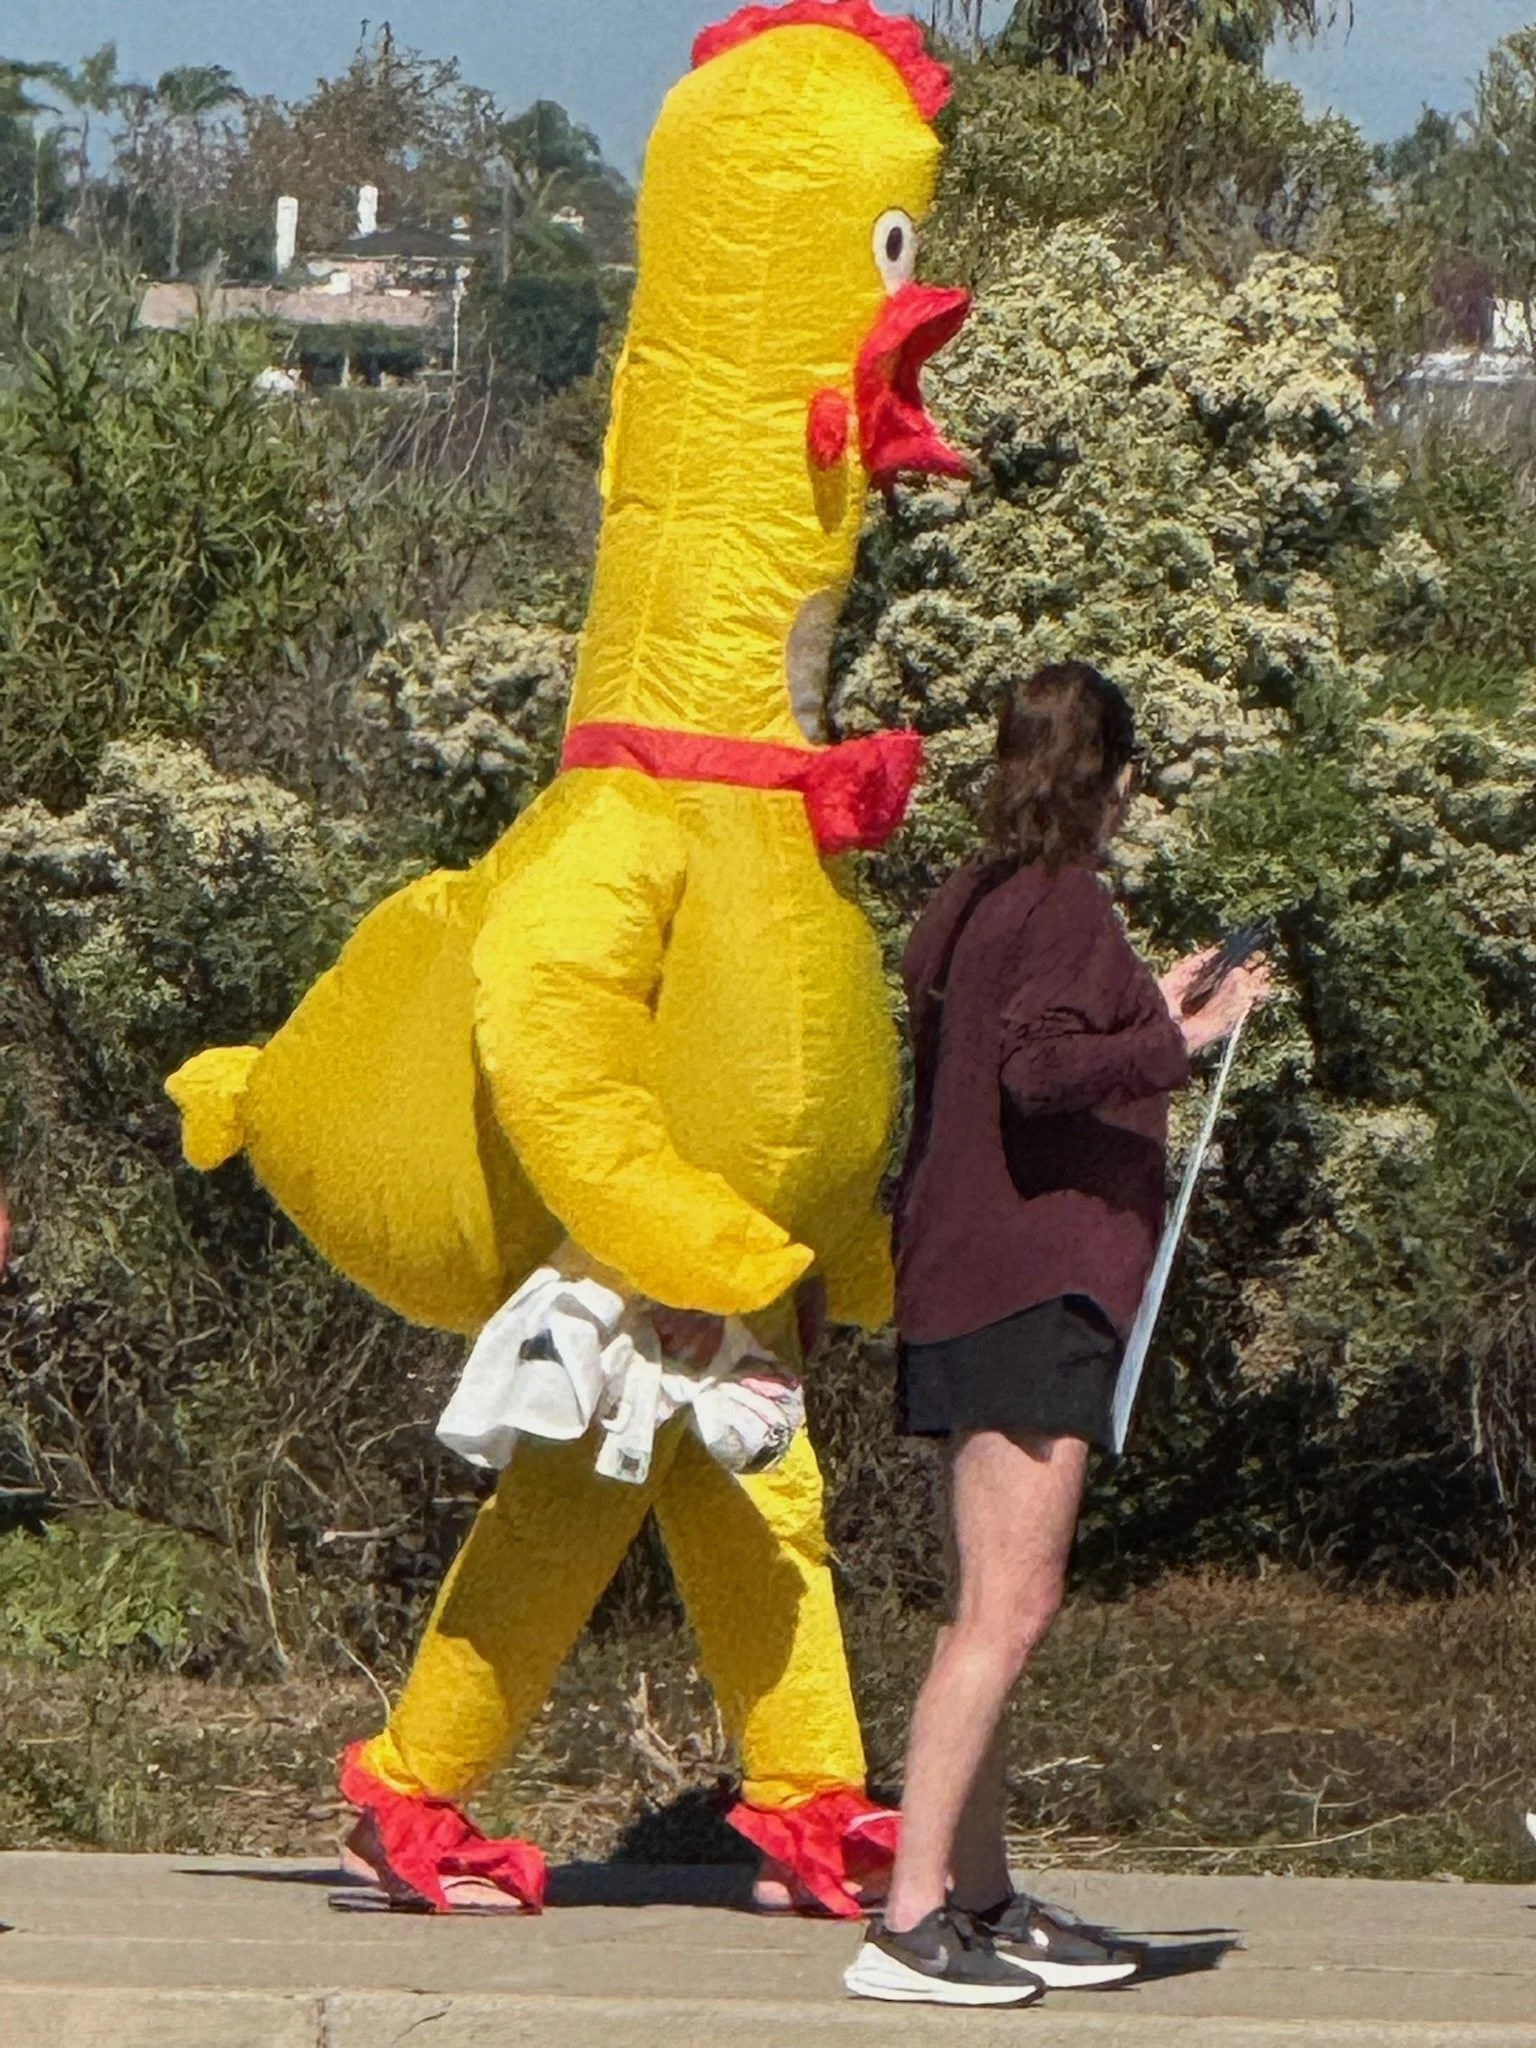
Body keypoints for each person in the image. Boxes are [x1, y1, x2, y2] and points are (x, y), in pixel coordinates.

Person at [844, 661, 1270, 2007]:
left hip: (952, 1275)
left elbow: (1005, 1042)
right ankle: (911, 1920)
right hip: (1035, 1284)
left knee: (992, 1609)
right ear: (1121, 783)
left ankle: (976, 1898)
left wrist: (1137, 1002)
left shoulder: (973, 899)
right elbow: (1039, 1072)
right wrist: (1176, 1041)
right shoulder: (1072, 897)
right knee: (1008, 1611)